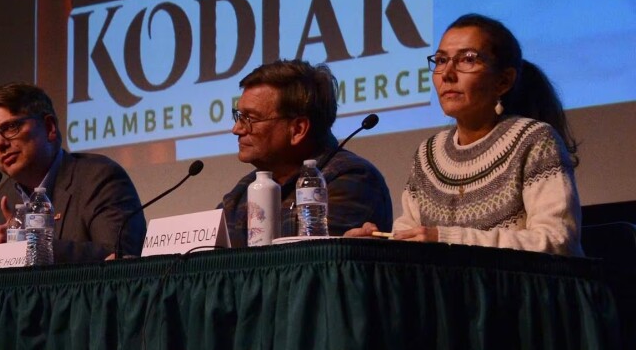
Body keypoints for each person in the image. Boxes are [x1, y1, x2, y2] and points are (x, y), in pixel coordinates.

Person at [345, 13, 583, 256]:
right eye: (440, 60)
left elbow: (557, 241)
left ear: (503, 81)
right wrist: (374, 246)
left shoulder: (535, 140)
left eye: (468, 59)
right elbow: (410, 238)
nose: (447, 74)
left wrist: (447, 239)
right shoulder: (428, 154)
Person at [0, 82, 145, 271]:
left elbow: (121, 256)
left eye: (10, 127)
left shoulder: (98, 177)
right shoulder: (7, 194)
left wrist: (26, 246)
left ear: (49, 128)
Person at [218, 59, 393, 248]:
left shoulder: (353, 180)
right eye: (238, 116)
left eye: (250, 118)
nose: (236, 129)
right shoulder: (243, 192)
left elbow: (313, 259)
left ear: (298, 129)